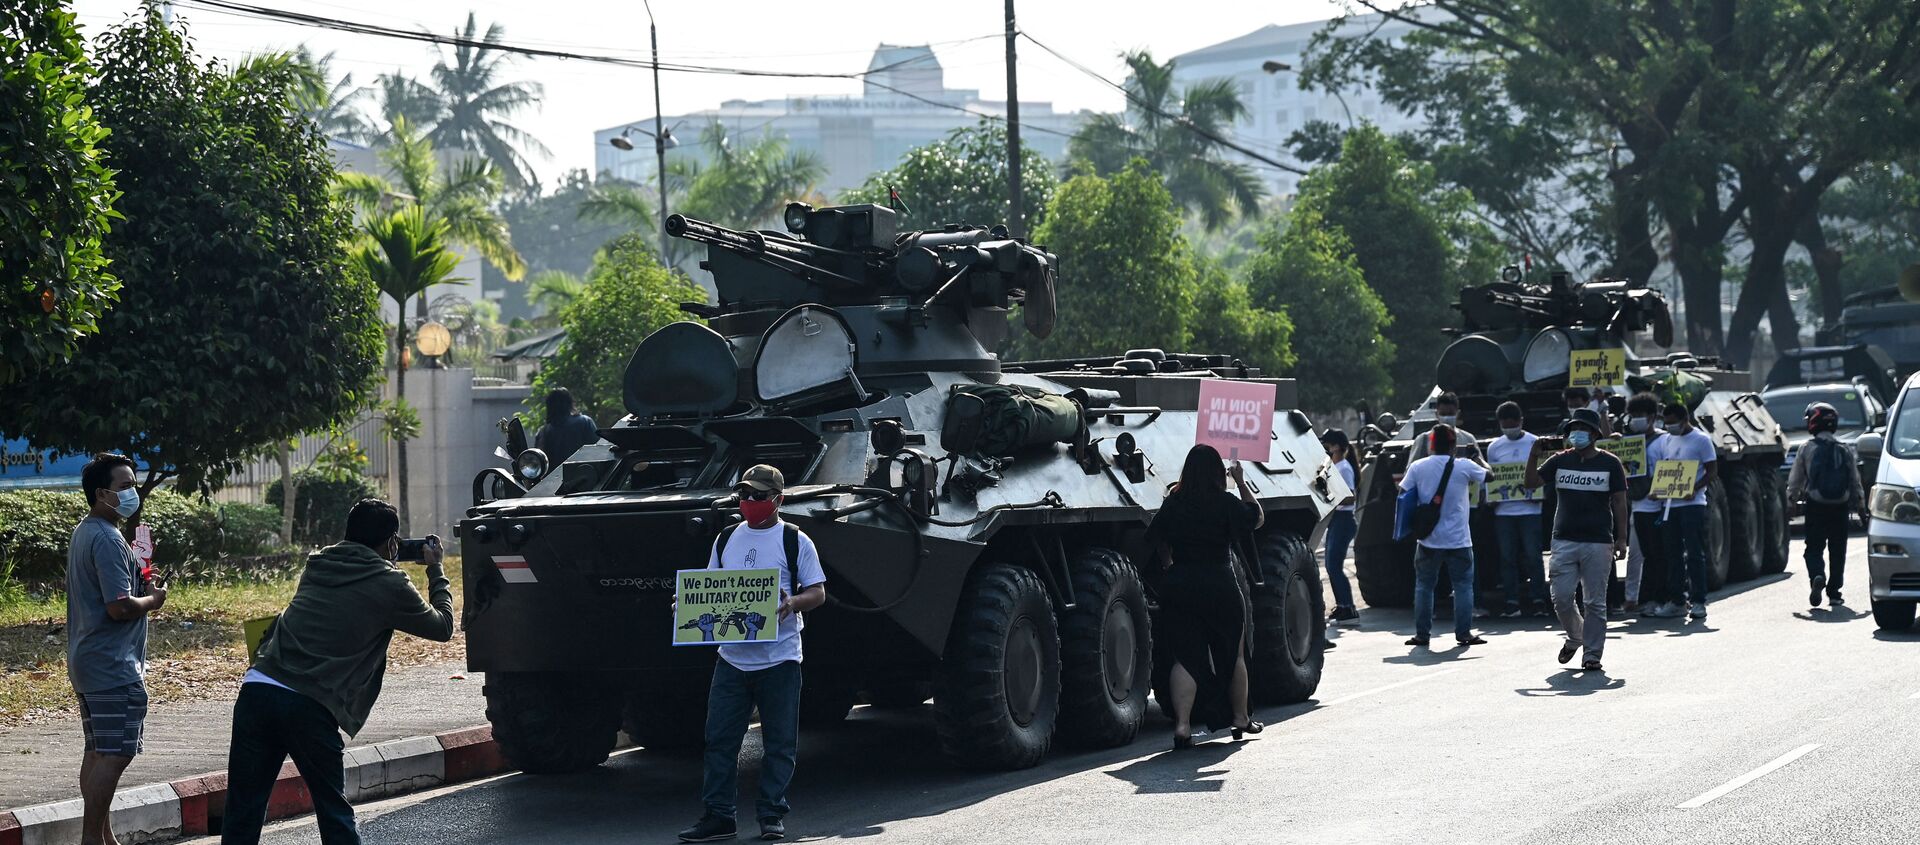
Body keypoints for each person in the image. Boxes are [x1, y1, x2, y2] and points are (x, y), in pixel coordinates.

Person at [221, 499, 453, 845]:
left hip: (258, 688)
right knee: (333, 812)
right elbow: (442, 627)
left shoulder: (318, 564)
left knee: (243, 809)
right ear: (392, 542)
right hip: (309, 705)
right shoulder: (390, 584)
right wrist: (435, 571)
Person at [681, 465, 827, 843]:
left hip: (779, 658)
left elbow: (818, 592)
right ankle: (718, 816)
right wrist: (686, 607)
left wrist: (793, 602)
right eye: (744, 495)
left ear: (777, 500)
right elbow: (711, 588)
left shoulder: (795, 540)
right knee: (719, 741)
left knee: (779, 743)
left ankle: (771, 814)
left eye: (758, 496)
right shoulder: (726, 538)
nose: (749, 502)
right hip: (731, 659)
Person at [67, 453, 166, 845]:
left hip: (89, 660)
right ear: (101, 493)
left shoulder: (87, 531)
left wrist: (142, 586)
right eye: (125, 486)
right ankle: (92, 838)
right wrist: (153, 601)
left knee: (97, 750)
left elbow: (114, 593)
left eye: (133, 484)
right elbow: (119, 606)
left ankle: (103, 836)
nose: (133, 492)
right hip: (113, 665)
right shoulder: (108, 539)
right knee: (115, 754)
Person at [1144, 445, 1266, 750]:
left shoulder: (1173, 503)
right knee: (1233, 653)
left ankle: (1183, 726)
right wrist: (1240, 481)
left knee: (1185, 657)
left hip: (1181, 582)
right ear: (1216, 472)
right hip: (1219, 583)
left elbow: (1155, 536)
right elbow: (1257, 519)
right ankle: (1240, 718)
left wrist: (1169, 563)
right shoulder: (1225, 502)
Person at [1525, 409, 1629, 671]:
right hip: (1564, 540)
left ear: (1595, 434)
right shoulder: (1559, 460)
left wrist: (1622, 538)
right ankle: (1576, 636)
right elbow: (1530, 483)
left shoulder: (1610, 463)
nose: (1576, 434)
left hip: (1598, 541)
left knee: (1594, 601)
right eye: (1573, 429)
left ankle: (1592, 654)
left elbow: (1619, 501)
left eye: (1582, 429)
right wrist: (1534, 454)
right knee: (1560, 597)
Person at [1399, 423, 1491, 648]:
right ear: (1453, 446)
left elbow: (1403, 494)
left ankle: (1422, 634)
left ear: (1431, 445)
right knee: (1462, 586)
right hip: (1459, 539)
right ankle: (1464, 633)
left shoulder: (1418, 467)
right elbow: (1489, 476)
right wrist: (1477, 456)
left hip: (1428, 539)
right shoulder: (1464, 466)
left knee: (1424, 586)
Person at [1788, 402, 1868, 607]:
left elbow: (1795, 479)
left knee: (1813, 548)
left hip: (1816, 505)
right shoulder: (1844, 448)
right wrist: (1861, 506)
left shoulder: (1807, 448)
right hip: (1840, 507)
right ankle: (1834, 592)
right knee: (1837, 549)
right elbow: (1854, 480)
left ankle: (1817, 575)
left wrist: (1791, 502)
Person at [1648, 402, 1718, 620]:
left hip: (1693, 505)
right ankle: (1678, 600)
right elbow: (1665, 470)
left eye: (1672, 423)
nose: (1669, 427)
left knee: (1695, 553)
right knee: (1672, 554)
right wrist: (1657, 491)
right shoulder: (1668, 440)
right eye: (1666, 423)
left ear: (1684, 419)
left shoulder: (1701, 440)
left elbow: (1712, 471)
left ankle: (1699, 601)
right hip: (1670, 506)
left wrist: (1695, 488)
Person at [1486, 402, 1548, 618]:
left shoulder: (1535, 443)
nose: (1508, 428)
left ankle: (1538, 599)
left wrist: (1538, 494)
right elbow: (1492, 478)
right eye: (1505, 425)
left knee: (1533, 557)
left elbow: (1544, 474)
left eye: (1512, 424)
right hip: (1503, 512)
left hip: (1531, 510)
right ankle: (1512, 601)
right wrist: (1491, 498)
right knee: (1507, 558)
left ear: (1521, 421)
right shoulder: (1494, 447)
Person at [1622, 393, 1671, 615]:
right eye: (1632, 416)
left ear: (1652, 417)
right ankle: (1645, 599)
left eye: (1640, 415)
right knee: (1644, 556)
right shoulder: (1628, 443)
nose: (1635, 420)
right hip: (1639, 507)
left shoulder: (1663, 441)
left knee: (1662, 555)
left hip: (1660, 508)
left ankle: (1666, 597)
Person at [1320, 430, 1361, 627]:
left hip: (1343, 518)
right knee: (1330, 566)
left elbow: (1350, 495)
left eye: (1327, 445)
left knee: (1334, 566)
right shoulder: (1335, 466)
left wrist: (1330, 500)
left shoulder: (1343, 468)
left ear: (1336, 446)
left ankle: (1348, 607)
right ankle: (1342, 605)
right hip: (1337, 519)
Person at [533, 387, 600, 464]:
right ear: (570, 403)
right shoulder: (585, 422)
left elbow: (538, 462)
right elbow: (597, 450)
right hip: (583, 473)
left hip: (554, 475)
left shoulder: (543, 432)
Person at [1409, 391, 1481, 461]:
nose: (1446, 417)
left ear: (1458, 414)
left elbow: (1480, 466)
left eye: (1450, 414)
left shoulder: (1468, 439)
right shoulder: (1423, 440)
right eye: (1443, 414)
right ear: (1436, 414)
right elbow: (1411, 469)